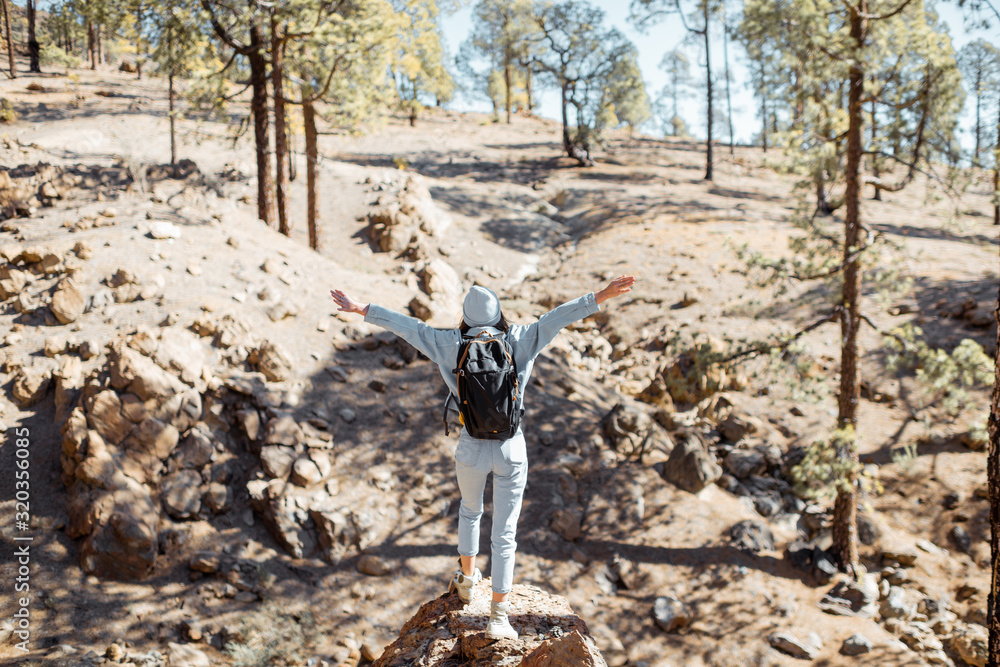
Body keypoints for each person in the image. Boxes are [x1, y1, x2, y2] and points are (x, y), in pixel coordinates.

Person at [330, 274, 636, 640]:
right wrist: (601, 294)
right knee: (505, 535)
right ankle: (498, 617)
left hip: (471, 446)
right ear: (499, 314)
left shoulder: (449, 342)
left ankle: (467, 578)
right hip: (511, 447)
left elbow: (408, 327)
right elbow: (557, 317)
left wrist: (361, 308)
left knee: (470, 511)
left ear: (466, 316)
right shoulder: (519, 338)